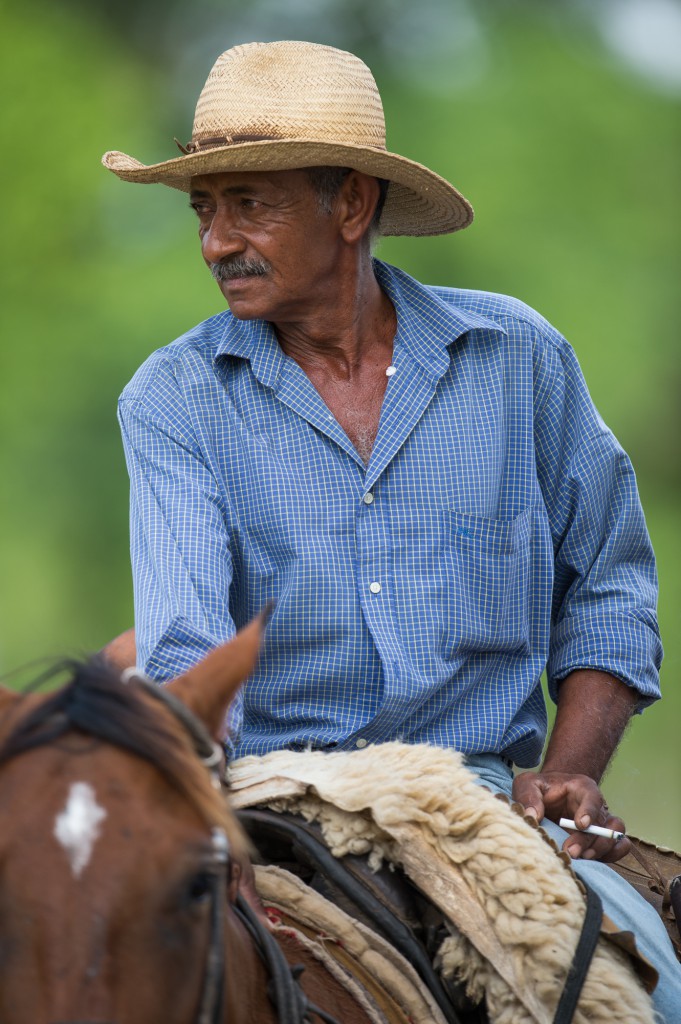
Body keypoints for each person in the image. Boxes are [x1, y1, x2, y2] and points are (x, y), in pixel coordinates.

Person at [103, 40, 680, 1017]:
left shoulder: (518, 359)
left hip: (485, 808)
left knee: (647, 993)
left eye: (251, 204)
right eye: (206, 207)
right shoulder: (176, 400)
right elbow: (188, 655)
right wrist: (204, 835)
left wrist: (573, 771)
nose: (215, 242)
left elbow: (612, 591)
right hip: (276, 798)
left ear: (354, 206)